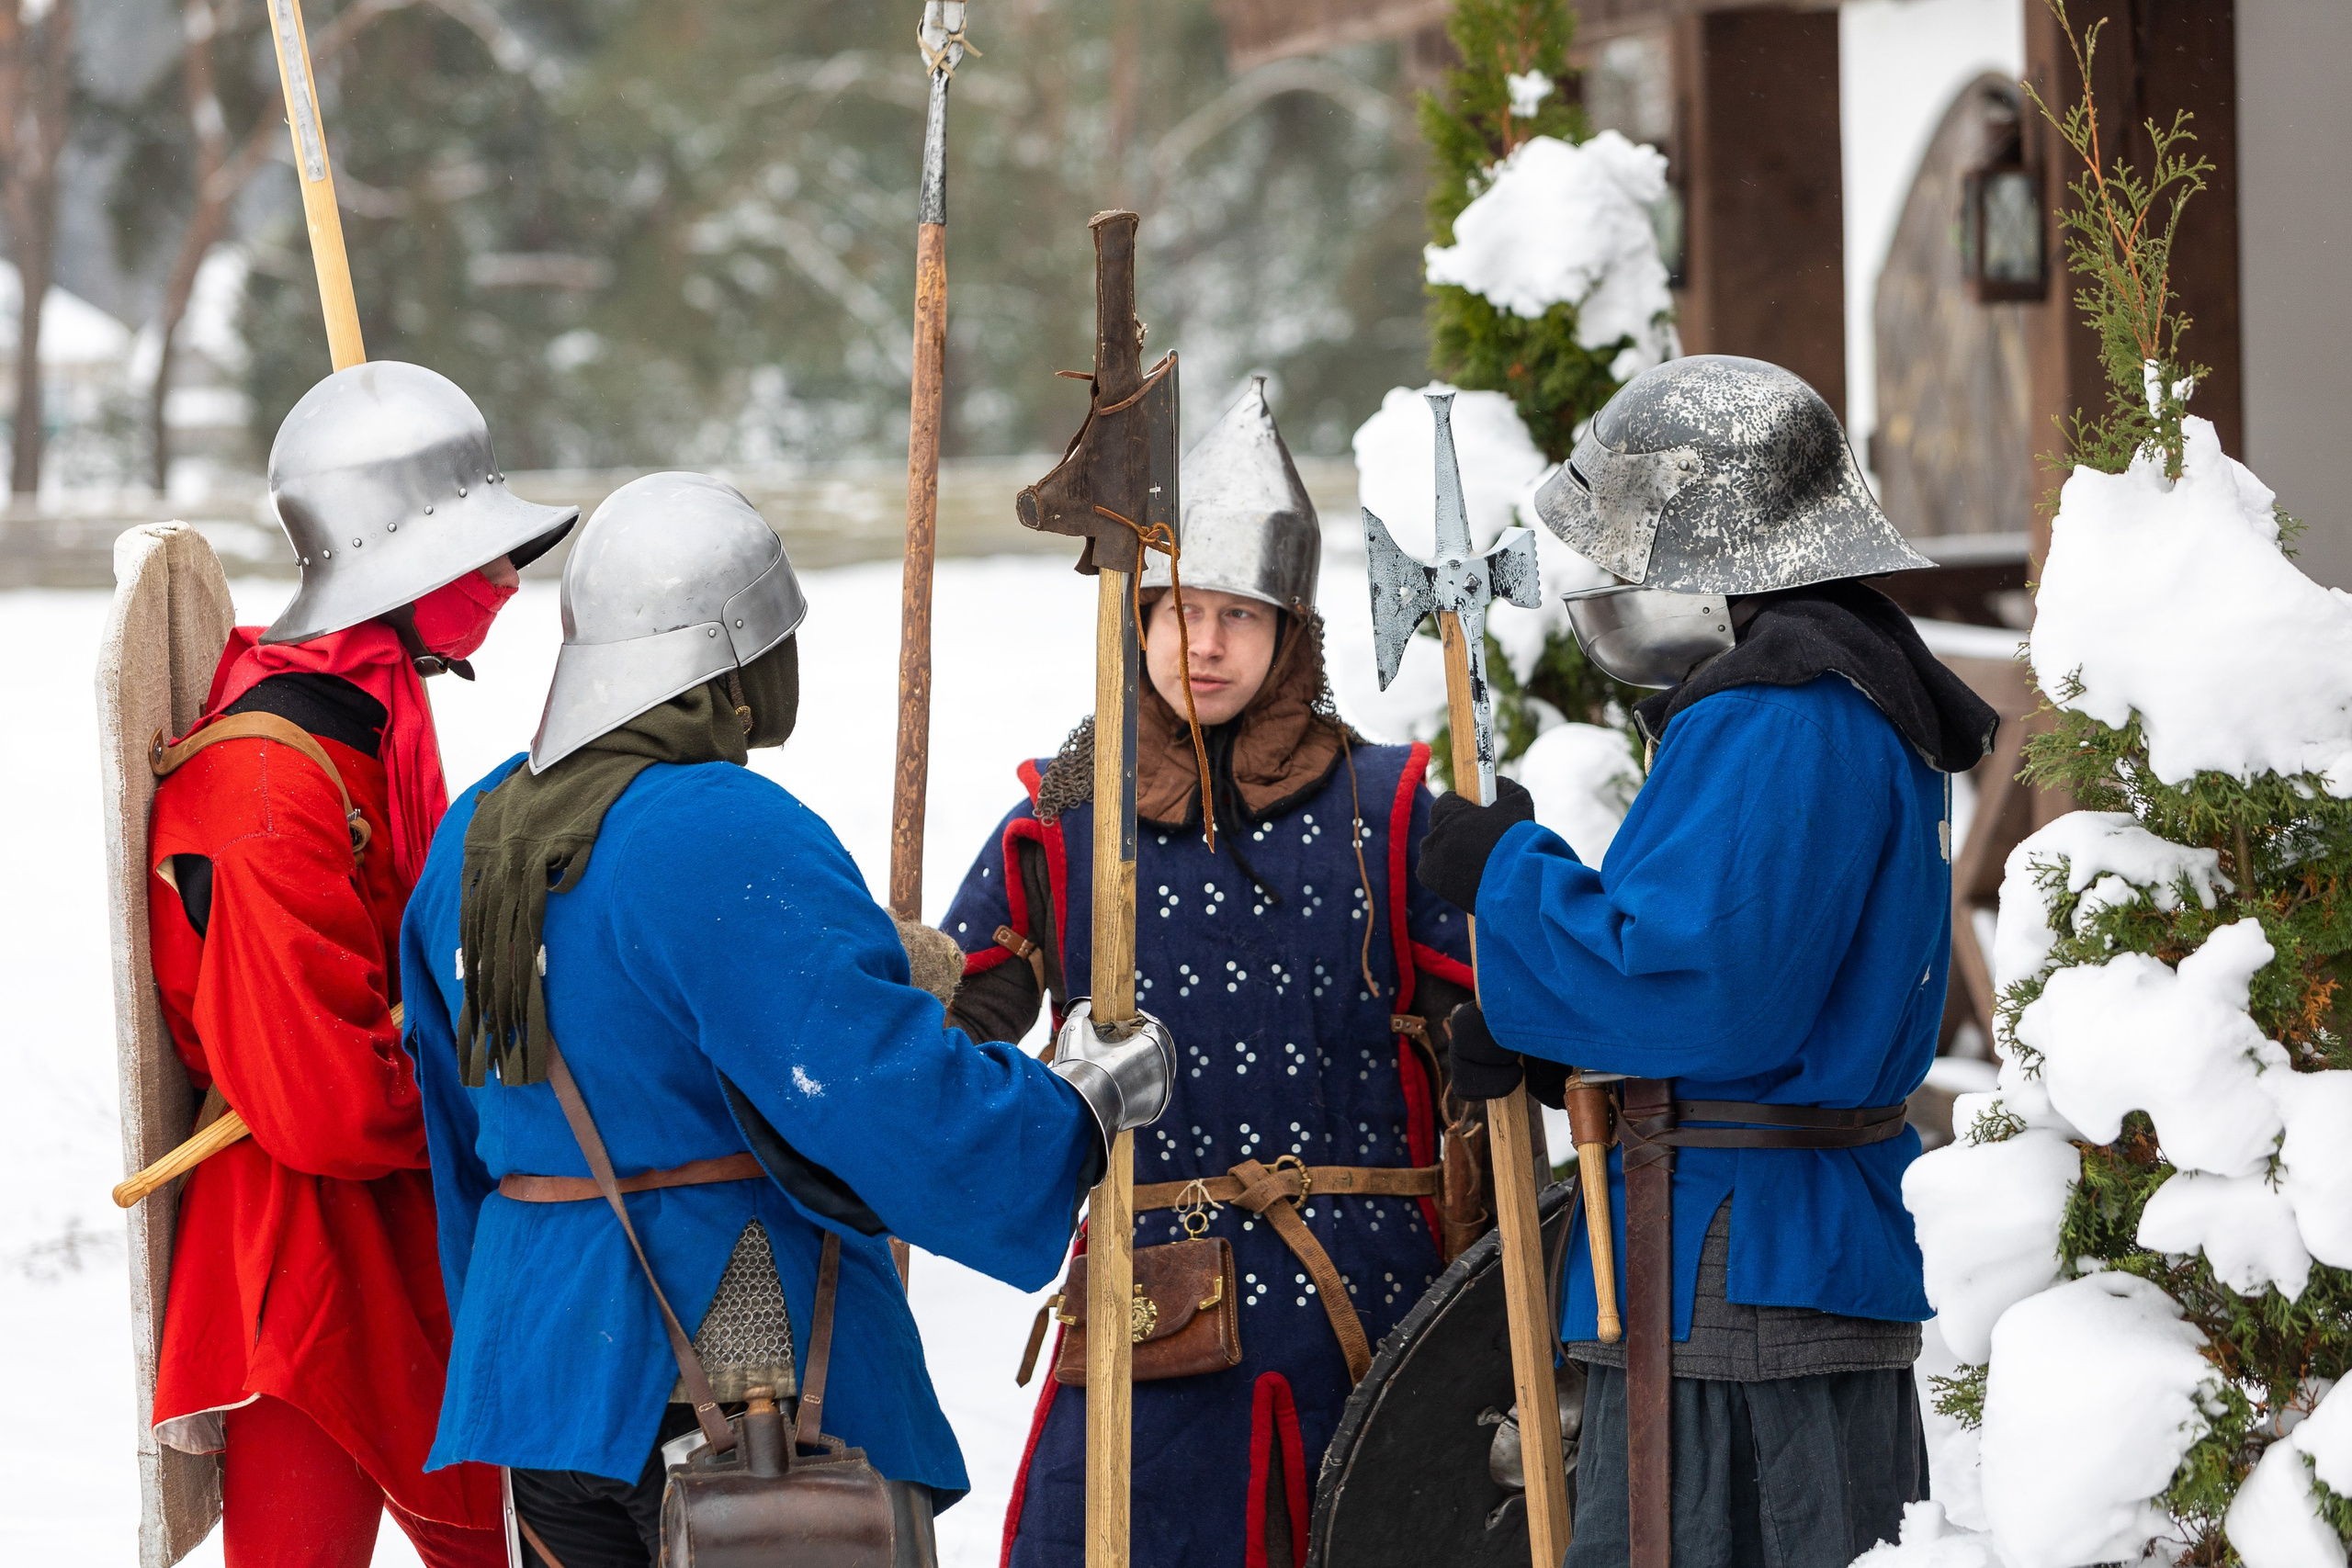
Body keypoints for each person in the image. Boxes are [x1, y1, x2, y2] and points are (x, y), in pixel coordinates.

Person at [398, 471, 1170, 1568]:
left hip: (542, 1378)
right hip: (738, 1379)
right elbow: (874, 1093)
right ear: (732, 659)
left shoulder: (473, 832)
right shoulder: (716, 825)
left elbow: (462, 1129)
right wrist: (1076, 1106)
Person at [1418, 355, 1999, 1566]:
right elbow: (1770, 991)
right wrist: (1554, 1043)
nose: (1617, 586)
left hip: (1737, 1262)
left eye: (1638, 554)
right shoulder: (1829, 700)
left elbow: (1710, 986)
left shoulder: (1780, 714)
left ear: (1723, 559)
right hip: (1766, 1245)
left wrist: (1506, 878)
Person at [944, 379, 1480, 1568]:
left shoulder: (1386, 806)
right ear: (1136, 619)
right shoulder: (1064, 815)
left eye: (1240, 611)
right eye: (1177, 607)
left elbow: (1500, 1028)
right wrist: (914, 987)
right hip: (1149, 1318)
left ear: (1293, 630)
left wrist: (1511, 918)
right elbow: (957, 1029)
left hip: (1374, 1321)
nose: (1205, 641)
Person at [145, 361, 577, 1567]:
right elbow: (322, 1096)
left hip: (394, 1209)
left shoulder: (370, 703)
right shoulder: (273, 776)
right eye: (470, 551)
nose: (503, 579)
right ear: (389, 563)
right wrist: (526, 1094)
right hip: (306, 1246)